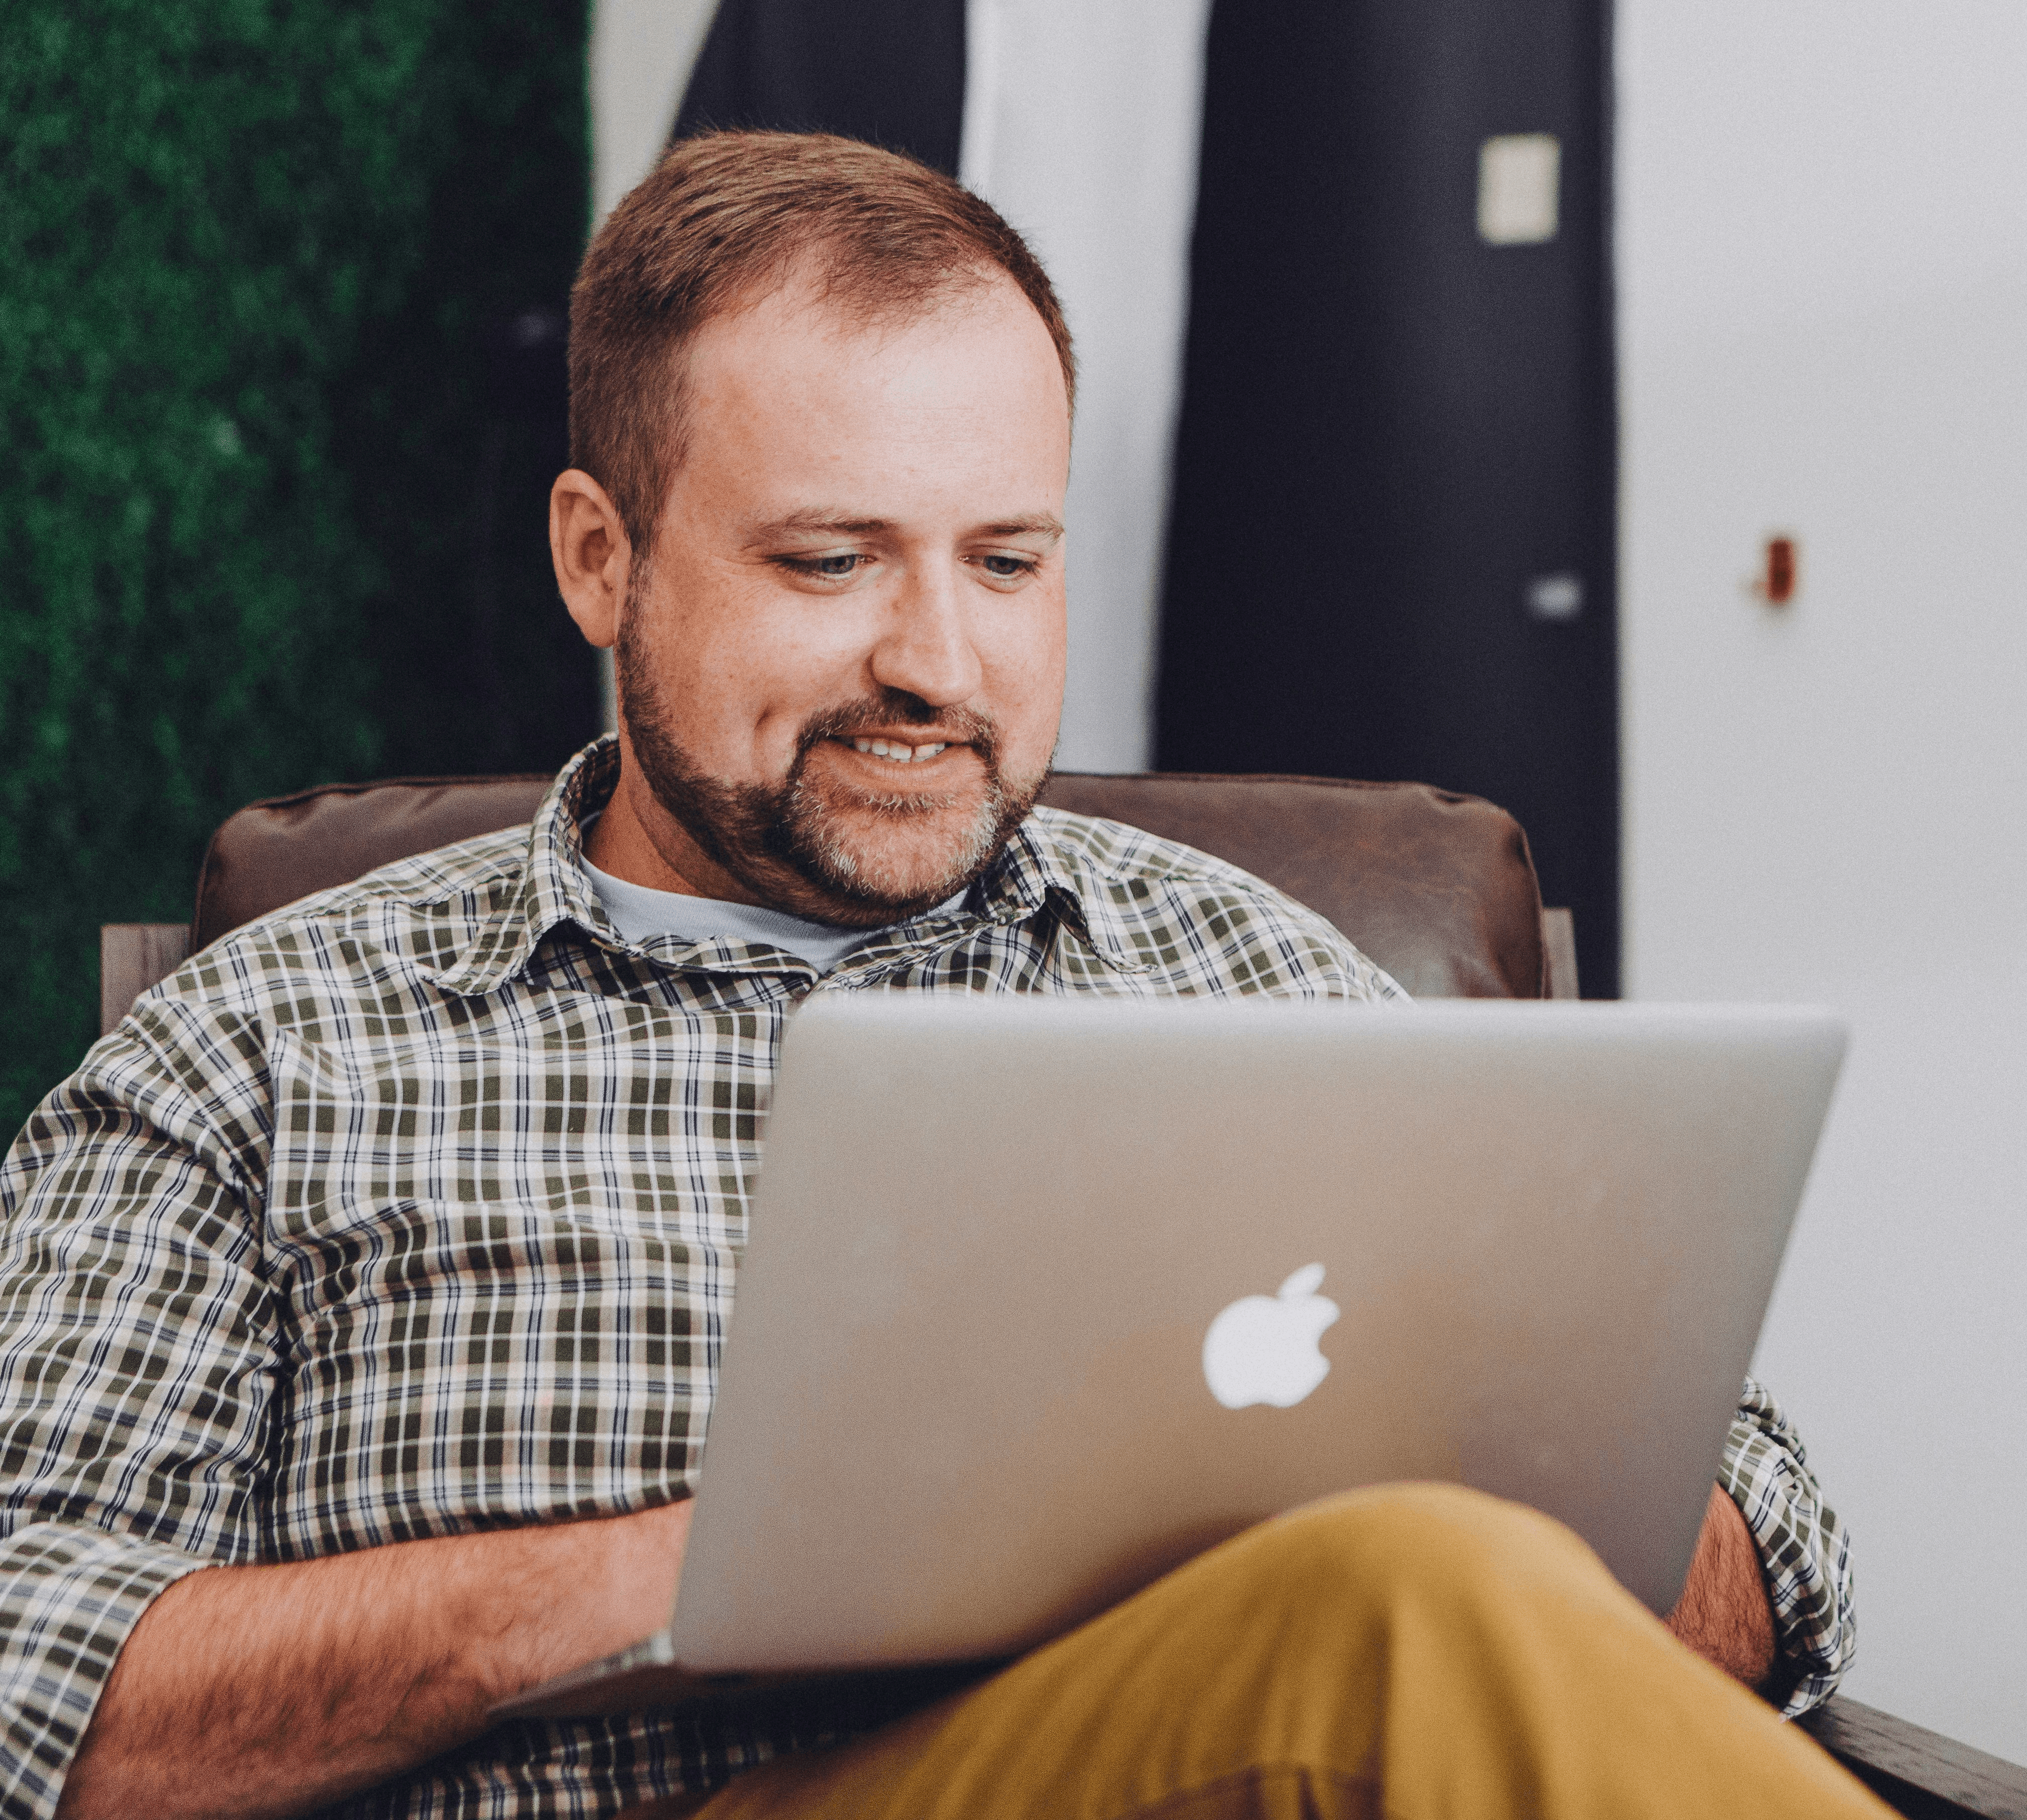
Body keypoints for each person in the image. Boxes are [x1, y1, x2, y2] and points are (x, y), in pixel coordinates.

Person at [0, 133, 1868, 1820]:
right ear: (600, 558)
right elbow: (30, 1669)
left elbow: (1770, 1532)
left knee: (1415, 1596)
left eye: (1009, 559)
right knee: (1407, 1610)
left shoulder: (1245, 975)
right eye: (832, 560)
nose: (940, 660)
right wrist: (696, 1569)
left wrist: (1285, 1535)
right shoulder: (269, 1047)